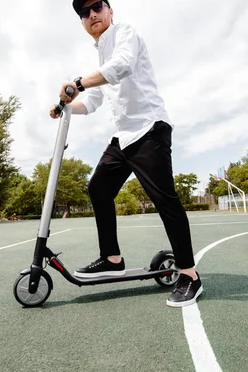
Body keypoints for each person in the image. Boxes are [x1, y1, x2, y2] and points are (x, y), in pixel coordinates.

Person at [49, 0, 202, 308]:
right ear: (81, 21)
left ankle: (190, 275)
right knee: (98, 188)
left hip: (150, 129)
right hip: (124, 138)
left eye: (96, 7)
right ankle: (111, 257)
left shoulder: (125, 34)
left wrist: (77, 82)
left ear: (109, 10)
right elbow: (91, 102)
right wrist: (67, 106)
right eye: (83, 12)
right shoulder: (99, 56)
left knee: (164, 198)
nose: (91, 15)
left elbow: (122, 67)